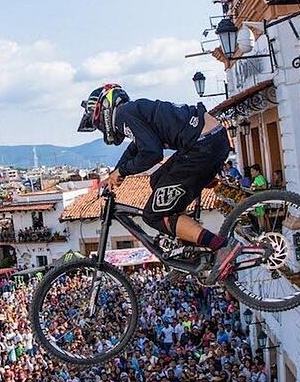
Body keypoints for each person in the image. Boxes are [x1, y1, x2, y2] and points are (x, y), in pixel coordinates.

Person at [77, 84, 231, 260]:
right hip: (211, 141)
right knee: (157, 180)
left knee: (153, 215)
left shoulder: (122, 115)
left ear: (103, 110)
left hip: (202, 146)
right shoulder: (133, 111)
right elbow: (135, 149)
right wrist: (117, 172)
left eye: (98, 125)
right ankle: (189, 246)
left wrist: (122, 171)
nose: (101, 129)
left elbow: (152, 153)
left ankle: (220, 249)